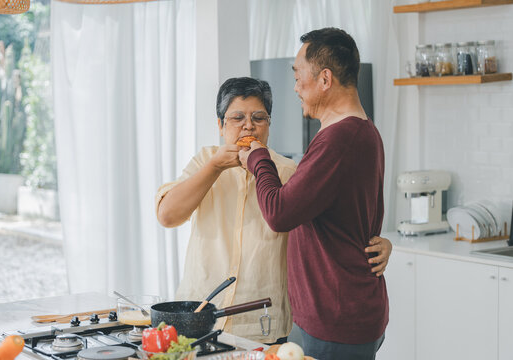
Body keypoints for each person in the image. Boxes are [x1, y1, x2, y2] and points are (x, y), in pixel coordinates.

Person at [156, 77, 391, 344]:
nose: (248, 126)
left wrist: (381, 243)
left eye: (259, 118)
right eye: (237, 118)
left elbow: (332, 228)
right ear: (220, 125)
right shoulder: (204, 161)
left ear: (269, 125)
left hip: (263, 321)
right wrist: (215, 167)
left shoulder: (289, 171)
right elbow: (167, 215)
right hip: (199, 317)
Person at [239, 28, 388, 359]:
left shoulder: (339, 140)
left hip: (335, 320)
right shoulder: (363, 131)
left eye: (298, 76)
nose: (294, 87)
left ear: (324, 79)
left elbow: (279, 213)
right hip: (343, 313)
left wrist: (257, 158)